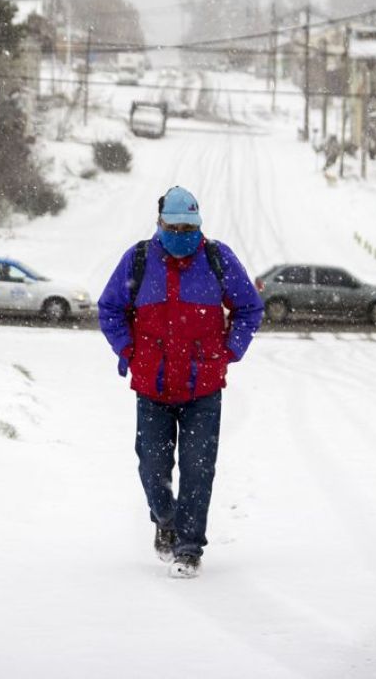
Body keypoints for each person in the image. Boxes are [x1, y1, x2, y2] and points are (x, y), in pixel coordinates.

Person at [98, 186, 263, 578]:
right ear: (160, 223)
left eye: (189, 228)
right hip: (152, 387)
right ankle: (165, 519)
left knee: (197, 470)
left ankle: (189, 549)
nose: (181, 235)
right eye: (174, 228)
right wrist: (130, 352)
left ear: (199, 225)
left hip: (202, 388)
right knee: (152, 468)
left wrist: (229, 351)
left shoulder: (217, 258)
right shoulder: (139, 259)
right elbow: (110, 309)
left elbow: (249, 308)